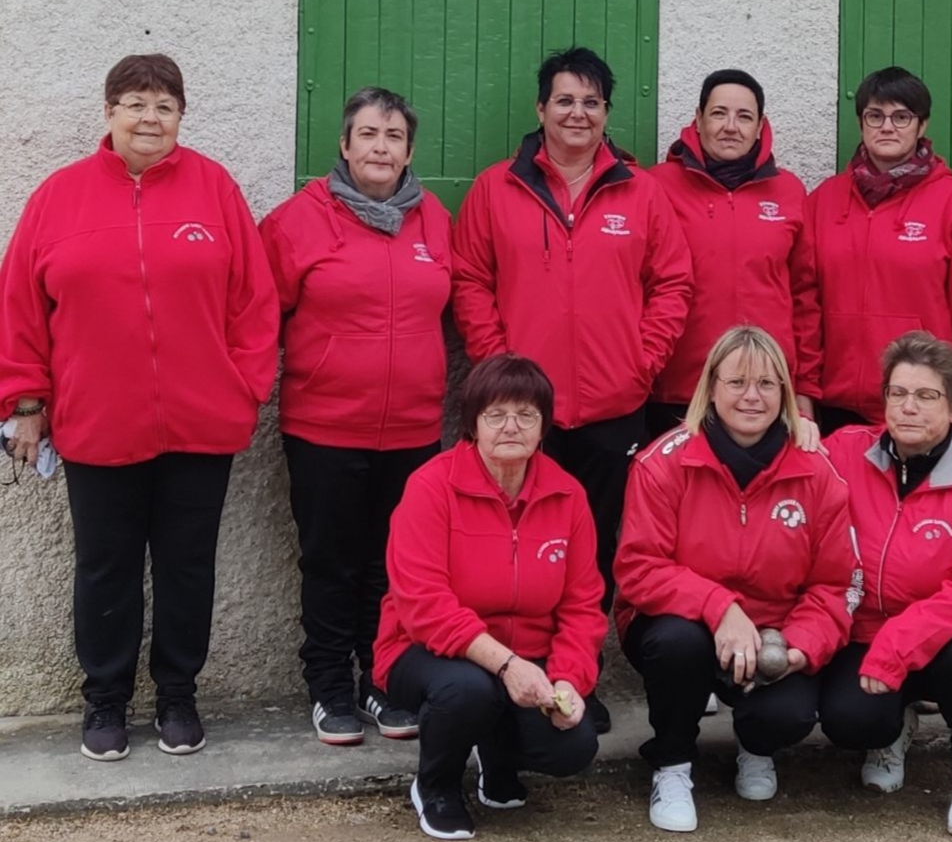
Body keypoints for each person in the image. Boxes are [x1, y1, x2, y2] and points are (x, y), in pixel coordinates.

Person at [0, 54, 279, 761]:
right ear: (108, 113)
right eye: (134, 103)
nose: (148, 118)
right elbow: (20, 311)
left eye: (163, 105)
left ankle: (178, 696)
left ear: (181, 117)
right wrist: (26, 403)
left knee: (189, 565)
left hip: (200, 426)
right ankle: (105, 703)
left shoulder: (214, 189)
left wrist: (242, 388)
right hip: (97, 423)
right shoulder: (58, 197)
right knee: (105, 566)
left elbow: (254, 302)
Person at [452, 46, 692, 732]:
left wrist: (642, 363)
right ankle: (506, 676)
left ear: (607, 113)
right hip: (523, 416)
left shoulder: (641, 192)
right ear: (540, 109)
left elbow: (672, 283)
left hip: (615, 410)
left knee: (592, 557)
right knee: (512, 549)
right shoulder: (495, 188)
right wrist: (498, 365)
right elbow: (469, 279)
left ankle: (574, 681)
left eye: (591, 102)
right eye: (565, 100)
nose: (577, 113)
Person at [260, 87, 451, 746]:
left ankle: (381, 678)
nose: (380, 146)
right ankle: (329, 687)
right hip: (324, 428)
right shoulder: (298, 220)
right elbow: (258, 316)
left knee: (391, 564)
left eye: (393, 136)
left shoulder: (435, 220)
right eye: (367, 133)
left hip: (413, 429)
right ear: (344, 145)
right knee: (332, 561)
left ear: (409, 150)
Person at [614, 326, 856, 833]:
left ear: (785, 394)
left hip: (775, 632)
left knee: (786, 716)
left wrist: (799, 648)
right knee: (677, 644)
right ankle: (673, 764)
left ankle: (756, 745)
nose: (752, 396)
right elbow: (638, 569)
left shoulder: (819, 473)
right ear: (712, 387)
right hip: (685, 626)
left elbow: (833, 586)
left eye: (768, 385)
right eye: (737, 382)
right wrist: (719, 607)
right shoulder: (663, 464)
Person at [372, 354, 605, 841]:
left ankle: (499, 759)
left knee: (573, 747)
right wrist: (506, 665)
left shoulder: (568, 496)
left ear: (544, 426)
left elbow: (582, 607)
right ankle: (435, 787)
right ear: (472, 423)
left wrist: (568, 680)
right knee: (468, 691)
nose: (510, 427)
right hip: (424, 653)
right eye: (495, 414)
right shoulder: (430, 487)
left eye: (526, 414)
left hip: (529, 657)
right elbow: (423, 605)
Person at [818, 331, 952, 839]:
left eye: (926, 396)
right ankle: (892, 729)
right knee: (848, 721)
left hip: (947, 638)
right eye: (897, 393)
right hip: (864, 631)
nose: (908, 407)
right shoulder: (843, 452)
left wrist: (894, 648)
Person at [803, 66, 952, 442]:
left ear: (922, 125)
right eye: (875, 116)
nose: (887, 127)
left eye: (901, 117)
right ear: (861, 123)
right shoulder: (823, 202)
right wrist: (804, 389)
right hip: (836, 405)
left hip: (923, 402)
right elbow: (805, 306)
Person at [646, 69, 818, 436]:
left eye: (744, 116)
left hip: (765, 389)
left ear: (760, 126)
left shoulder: (787, 191)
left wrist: (804, 388)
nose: (730, 126)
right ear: (698, 118)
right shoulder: (657, 186)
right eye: (719, 113)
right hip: (679, 389)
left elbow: (805, 296)